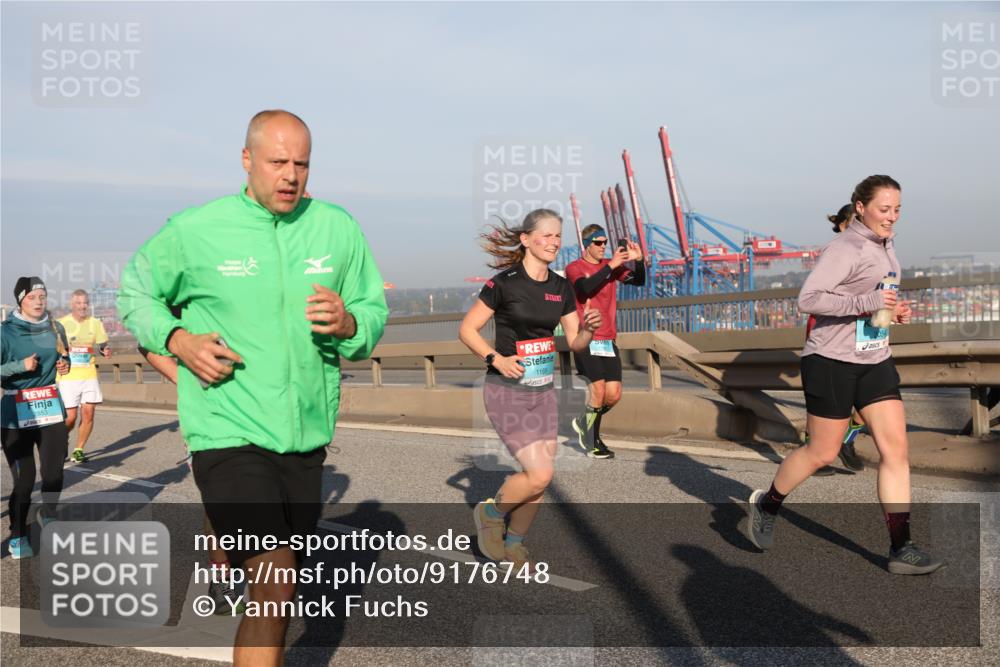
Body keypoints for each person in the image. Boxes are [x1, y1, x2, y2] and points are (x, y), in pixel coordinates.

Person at [117, 110, 388, 664]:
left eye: (302, 164)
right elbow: (135, 292)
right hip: (225, 428)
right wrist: (177, 339)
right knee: (275, 574)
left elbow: (370, 309)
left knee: (276, 593)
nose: (291, 175)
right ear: (247, 160)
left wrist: (351, 325)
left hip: (304, 436)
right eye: (278, 162)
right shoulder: (198, 229)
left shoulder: (337, 227)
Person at [746, 175, 942, 575]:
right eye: (884, 209)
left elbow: (876, 300)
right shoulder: (845, 247)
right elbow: (808, 299)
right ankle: (767, 504)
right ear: (860, 207)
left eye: (897, 209)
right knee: (822, 452)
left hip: (874, 358)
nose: (892, 217)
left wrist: (893, 312)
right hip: (831, 362)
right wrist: (869, 301)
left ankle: (901, 547)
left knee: (896, 450)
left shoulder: (885, 245)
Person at [459, 209, 601, 570]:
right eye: (547, 235)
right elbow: (467, 330)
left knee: (540, 478)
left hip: (542, 391)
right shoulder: (503, 283)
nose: (554, 242)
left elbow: (575, 341)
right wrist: (496, 359)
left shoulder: (560, 287)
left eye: (558, 236)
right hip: (506, 389)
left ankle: (514, 543)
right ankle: (491, 512)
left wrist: (588, 330)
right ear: (525, 239)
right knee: (540, 474)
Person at [138, 343, 244, 614]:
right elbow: (147, 343)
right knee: (219, 502)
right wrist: (181, 377)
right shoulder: (194, 306)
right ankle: (221, 581)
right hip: (208, 421)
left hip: (259, 414)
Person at [1, 277, 71, 559]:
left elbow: (62, 356)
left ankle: (50, 515)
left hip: (50, 409)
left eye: (43, 295)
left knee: (54, 474)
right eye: (32, 297)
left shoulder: (56, 327)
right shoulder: (5, 333)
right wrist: (20, 365)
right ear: (20, 300)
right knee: (25, 480)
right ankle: (18, 534)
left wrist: (64, 364)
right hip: (15, 414)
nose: (39, 301)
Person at [564, 225, 645, 458]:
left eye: (605, 243)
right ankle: (593, 441)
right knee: (598, 391)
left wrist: (638, 261)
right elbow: (584, 288)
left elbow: (637, 281)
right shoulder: (574, 267)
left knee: (613, 394)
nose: (602, 247)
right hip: (586, 337)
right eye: (598, 243)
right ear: (586, 244)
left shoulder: (611, 266)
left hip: (608, 339)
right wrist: (611, 266)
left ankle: (584, 420)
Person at [57, 289, 111, 463]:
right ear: (72, 305)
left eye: (85, 303)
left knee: (88, 413)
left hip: (89, 374)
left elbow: (103, 344)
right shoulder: (61, 324)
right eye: (78, 303)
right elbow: (54, 348)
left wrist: (105, 350)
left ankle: (79, 449)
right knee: (70, 417)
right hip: (68, 376)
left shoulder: (95, 323)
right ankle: (61, 440)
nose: (82, 306)